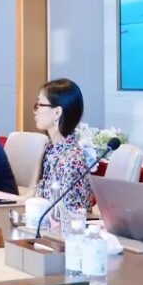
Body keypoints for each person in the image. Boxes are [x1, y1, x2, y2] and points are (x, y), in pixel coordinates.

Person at [34, 78, 95, 213]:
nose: (35, 111)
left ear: (57, 113)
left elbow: (70, 214)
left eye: (39, 105)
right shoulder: (51, 148)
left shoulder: (72, 159)